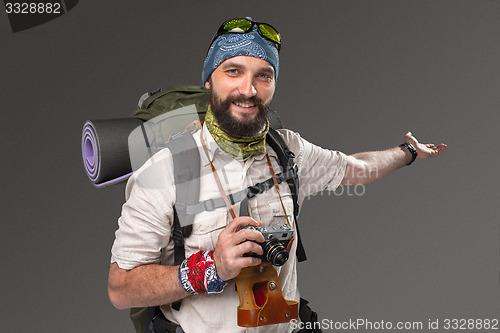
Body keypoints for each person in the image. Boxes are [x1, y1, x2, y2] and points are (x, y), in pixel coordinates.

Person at [107, 17, 447, 333]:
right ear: (209, 80)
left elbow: (355, 168)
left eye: (263, 75)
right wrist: (210, 268)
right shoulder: (164, 170)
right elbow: (120, 288)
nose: (248, 89)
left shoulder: (288, 150)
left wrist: (409, 152)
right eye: (233, 71)